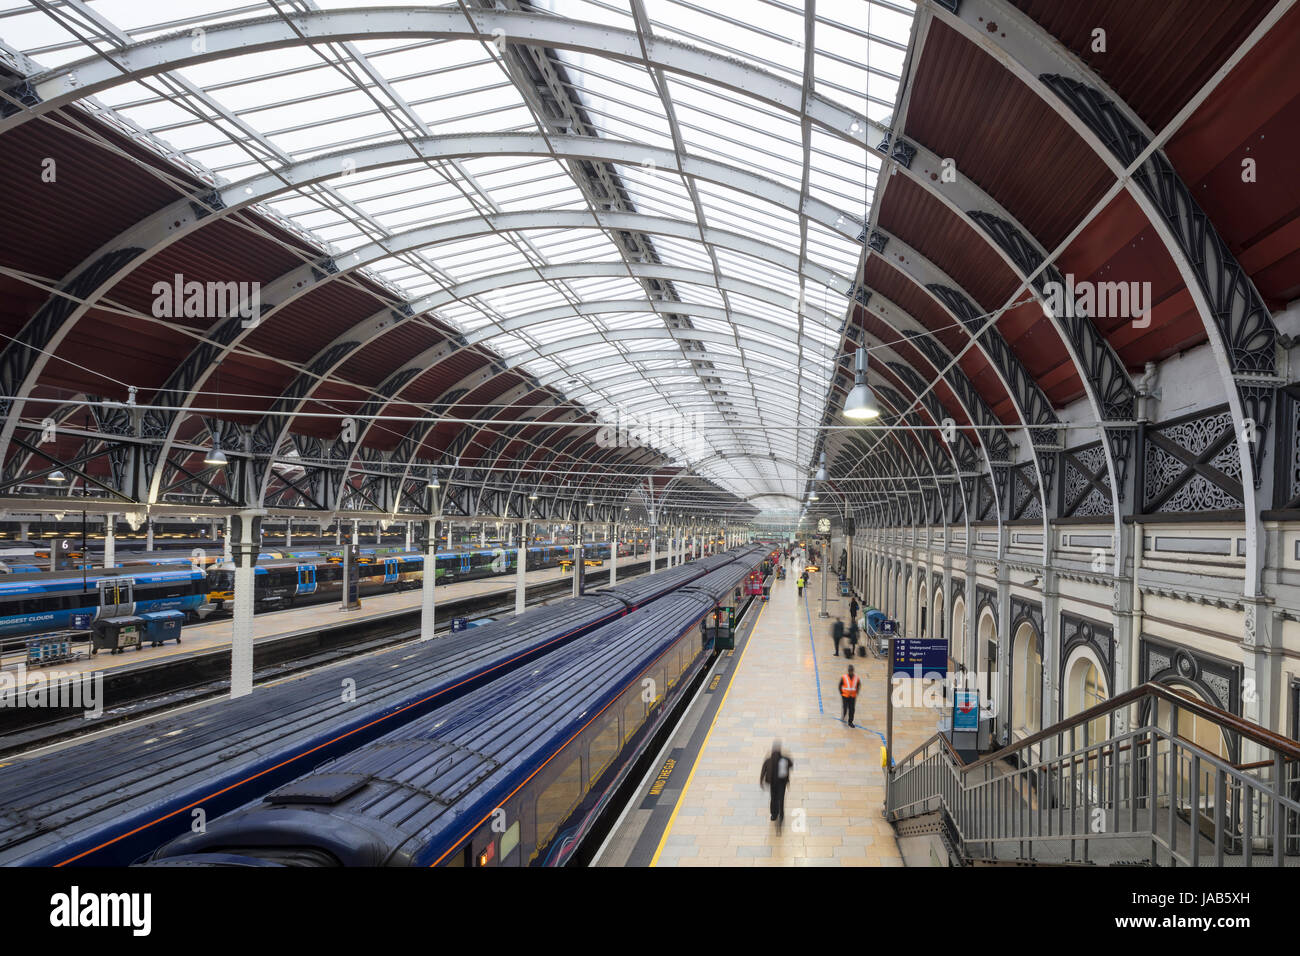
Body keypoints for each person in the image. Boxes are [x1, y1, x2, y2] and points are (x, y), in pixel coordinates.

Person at [759, 741, 794, 828]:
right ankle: (780, 815)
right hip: (781, 783)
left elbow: (763, 771)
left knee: (774, 799)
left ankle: (774, 814)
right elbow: (791, 764)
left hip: (774, 784)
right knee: (780, 799)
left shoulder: (769, 760)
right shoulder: (783, 759)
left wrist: (761, 781)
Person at [840, 663, 861, 728]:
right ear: (848, 671)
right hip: (845, 696)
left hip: (852, 697)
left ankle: (850, 722)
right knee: (845, 708)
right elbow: (840, 686)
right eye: (850, 671)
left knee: (852, 709)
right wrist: (842, 693)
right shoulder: (844, 677)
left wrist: (856, 692)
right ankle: (844, 714)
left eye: (851, 671)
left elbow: (858, 685)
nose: (851, 672)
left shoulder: (856, 678)